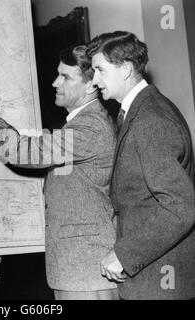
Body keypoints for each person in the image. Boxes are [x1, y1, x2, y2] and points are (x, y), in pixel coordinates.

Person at [0, 45, 118, 300]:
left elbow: (22, 152)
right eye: (57, 73)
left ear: (90, 86)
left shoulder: (91, 126)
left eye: (66, 77)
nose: (55, 82)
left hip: (86, 272)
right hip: (78, 268)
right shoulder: (79, 123)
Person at [87, 31, 195, 300]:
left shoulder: (150, 118)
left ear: (125, 69)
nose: (94, 80)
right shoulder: (139, 111)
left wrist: (126, 254)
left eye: (99, 69)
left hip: (159, 282)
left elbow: (180, 206)